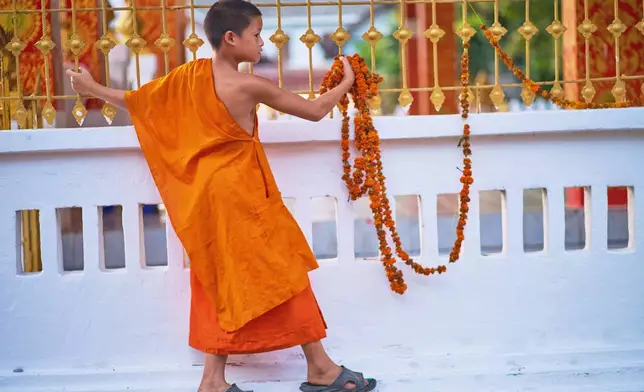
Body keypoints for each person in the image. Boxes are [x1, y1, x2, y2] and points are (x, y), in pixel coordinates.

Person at [66, 1, 376, 391]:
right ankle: (320, 369)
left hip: (207, 199)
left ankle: (214, 379)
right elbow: (314, 111)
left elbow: (139, 101)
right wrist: (346, 84)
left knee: (216, 279)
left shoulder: (186, 76)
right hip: (242, 197)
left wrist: (91, 87)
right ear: (231, 38)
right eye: (256, 34)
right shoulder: (248, 85)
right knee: (285, 273)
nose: (263, 42)